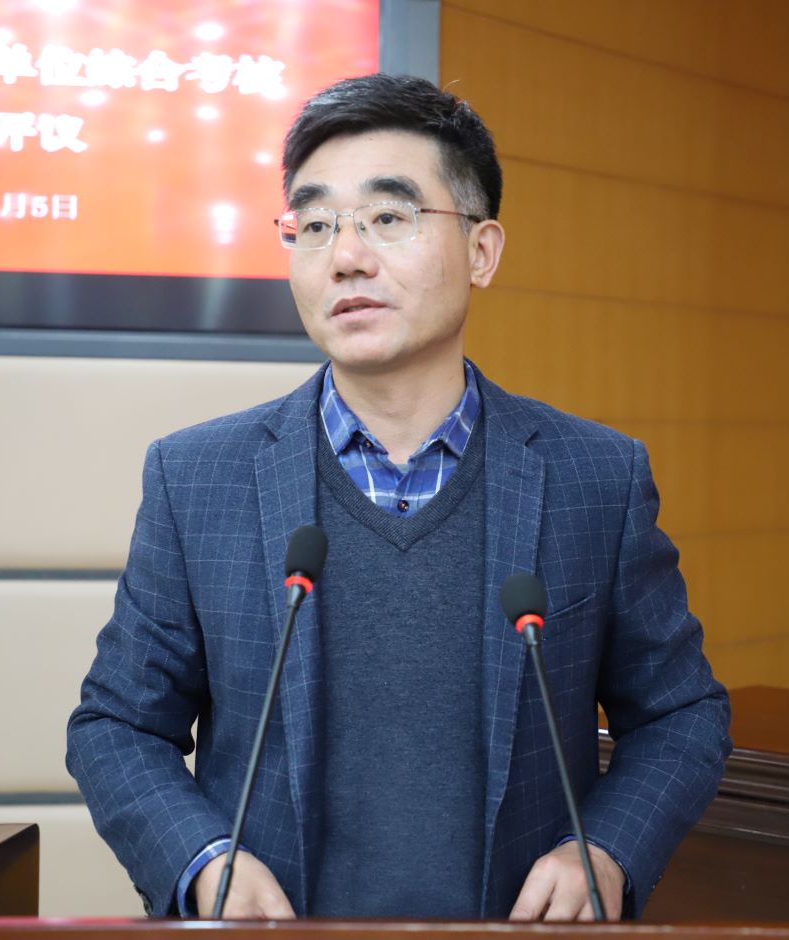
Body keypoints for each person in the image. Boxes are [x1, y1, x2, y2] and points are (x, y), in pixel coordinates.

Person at [66, 73, 731, 922]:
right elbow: (117, 726)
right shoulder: (198, 478)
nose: (346, 256)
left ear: (482, 251)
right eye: (315, 225)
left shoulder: (594, 478)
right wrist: (203, 862)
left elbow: (681, 714)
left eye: (388, 217)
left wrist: (603, 851)